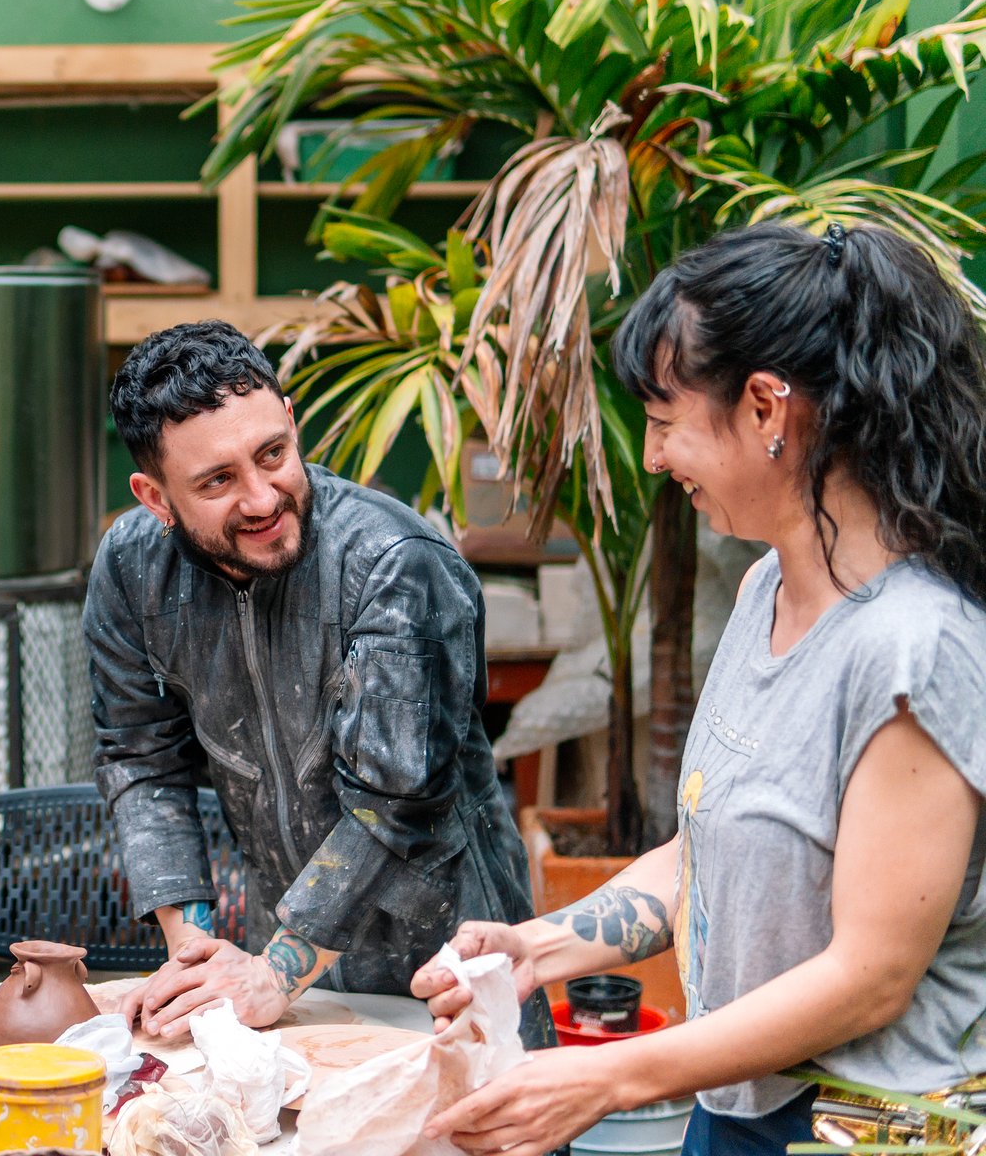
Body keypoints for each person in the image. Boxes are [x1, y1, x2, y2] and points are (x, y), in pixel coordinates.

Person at [413, 222, 986, 1156]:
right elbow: (705, 855)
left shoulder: (914, 648)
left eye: (666, 421)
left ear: (768, 410)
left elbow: (871, 975)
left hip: (871, 1131)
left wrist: (611, 1074)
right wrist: (540, 949)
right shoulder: (768, 587)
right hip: (737, 1105)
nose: (650, 458)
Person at [86, 320, 550, 1044]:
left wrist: (274, 973)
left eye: (273, 453)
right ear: (155, 497)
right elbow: (140, 758)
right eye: (217, 481)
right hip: (293, 977)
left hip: (453, 970)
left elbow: (397, 804)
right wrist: (192, 947)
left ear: (293, 425)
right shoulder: (131, 568)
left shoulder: (394, 561)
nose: (264, 498)